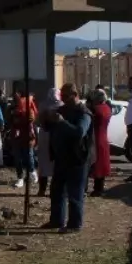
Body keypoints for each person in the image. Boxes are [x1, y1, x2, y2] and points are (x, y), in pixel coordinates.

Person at [41, 84, 92, 233]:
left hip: (77, 159)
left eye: (65, 97)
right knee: (57, 191)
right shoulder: (62, 110)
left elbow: (79, 132)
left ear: (74, 95)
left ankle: (75, 224)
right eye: (61, 97)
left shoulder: (84, 113)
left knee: (75, 193)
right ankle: (56, 220)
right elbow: (49, 127)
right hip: (61, 157)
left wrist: (62, 122)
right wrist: (46, 119)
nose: (63, 100)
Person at [35, 87, 60, 196]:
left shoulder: (42, 105)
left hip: (44, 135)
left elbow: (37, 121)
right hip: (56, 136)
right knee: (56, 165)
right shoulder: (62, 105)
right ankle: (54, 190)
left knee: (43, 165)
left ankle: (42, 190)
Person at [11, 89, 38, 188]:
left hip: (26, 137)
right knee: (19, 158)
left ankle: (31, 172)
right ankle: (21, 178)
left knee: (28, 156)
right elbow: (10, 121)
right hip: (18, 137)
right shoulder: (13, 109)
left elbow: (32, 122)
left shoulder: (28, 109)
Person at [87, 89, 112, 196]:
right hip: (104, 137)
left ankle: (97, 189)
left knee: (95, 163)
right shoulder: (107, 108)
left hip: (95, 137)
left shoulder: (96, 109)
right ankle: (99, 187)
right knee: (102, 163)